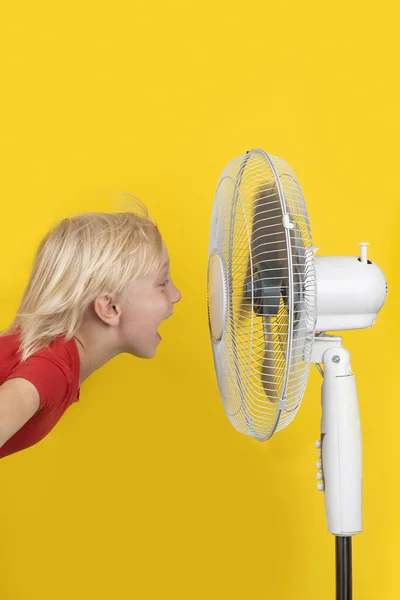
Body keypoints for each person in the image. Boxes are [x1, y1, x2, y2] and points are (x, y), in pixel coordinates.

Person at [0, 203, 181, 459]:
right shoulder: (52, 369)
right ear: (109, 307)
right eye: (162, 283)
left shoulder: (57, 360)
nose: (176, 295)